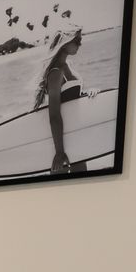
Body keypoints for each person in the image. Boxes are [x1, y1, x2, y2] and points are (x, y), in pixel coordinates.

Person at [32, 27, 87, 174]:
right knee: (59, 192)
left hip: (75, 136)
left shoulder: (67, 66)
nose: (80, 44)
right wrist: (59, 152)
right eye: (77, 41)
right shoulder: (56, 73)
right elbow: (54, 115)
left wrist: (90, 94)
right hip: (61, 142)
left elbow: (72, 99)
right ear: (65, 42)